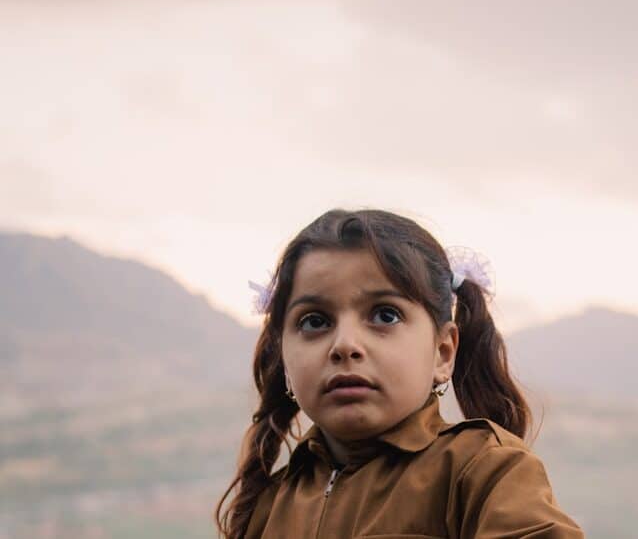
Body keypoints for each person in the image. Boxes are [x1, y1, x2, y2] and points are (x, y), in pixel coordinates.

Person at [215, 208, 585, 538]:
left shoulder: (482, 471)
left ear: (443, 352)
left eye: (384, 315)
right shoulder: (269, 503)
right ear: (284, 360)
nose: (344, 345)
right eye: (315, 321)